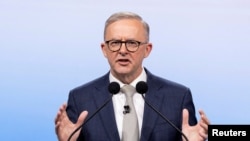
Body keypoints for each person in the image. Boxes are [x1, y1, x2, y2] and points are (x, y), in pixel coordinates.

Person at [55, 11, 210, 141]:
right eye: (115, 43)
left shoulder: (177, 97)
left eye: (132, 43)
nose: (123, 50)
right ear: (104, 49)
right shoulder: (81, 98)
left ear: (147, 50)